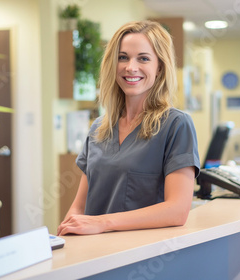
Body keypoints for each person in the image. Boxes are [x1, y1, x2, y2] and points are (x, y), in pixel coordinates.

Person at [57, 20, 200, 236]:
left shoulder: (176, 125)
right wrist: (65, 236)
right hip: (92, 252)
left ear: (159, 66)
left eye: (143, 58)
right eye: (122, 57)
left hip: (139, 254)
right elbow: (79, 206)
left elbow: (177, 211)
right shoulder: (98, 128)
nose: (130, 67)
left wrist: (103, 223)